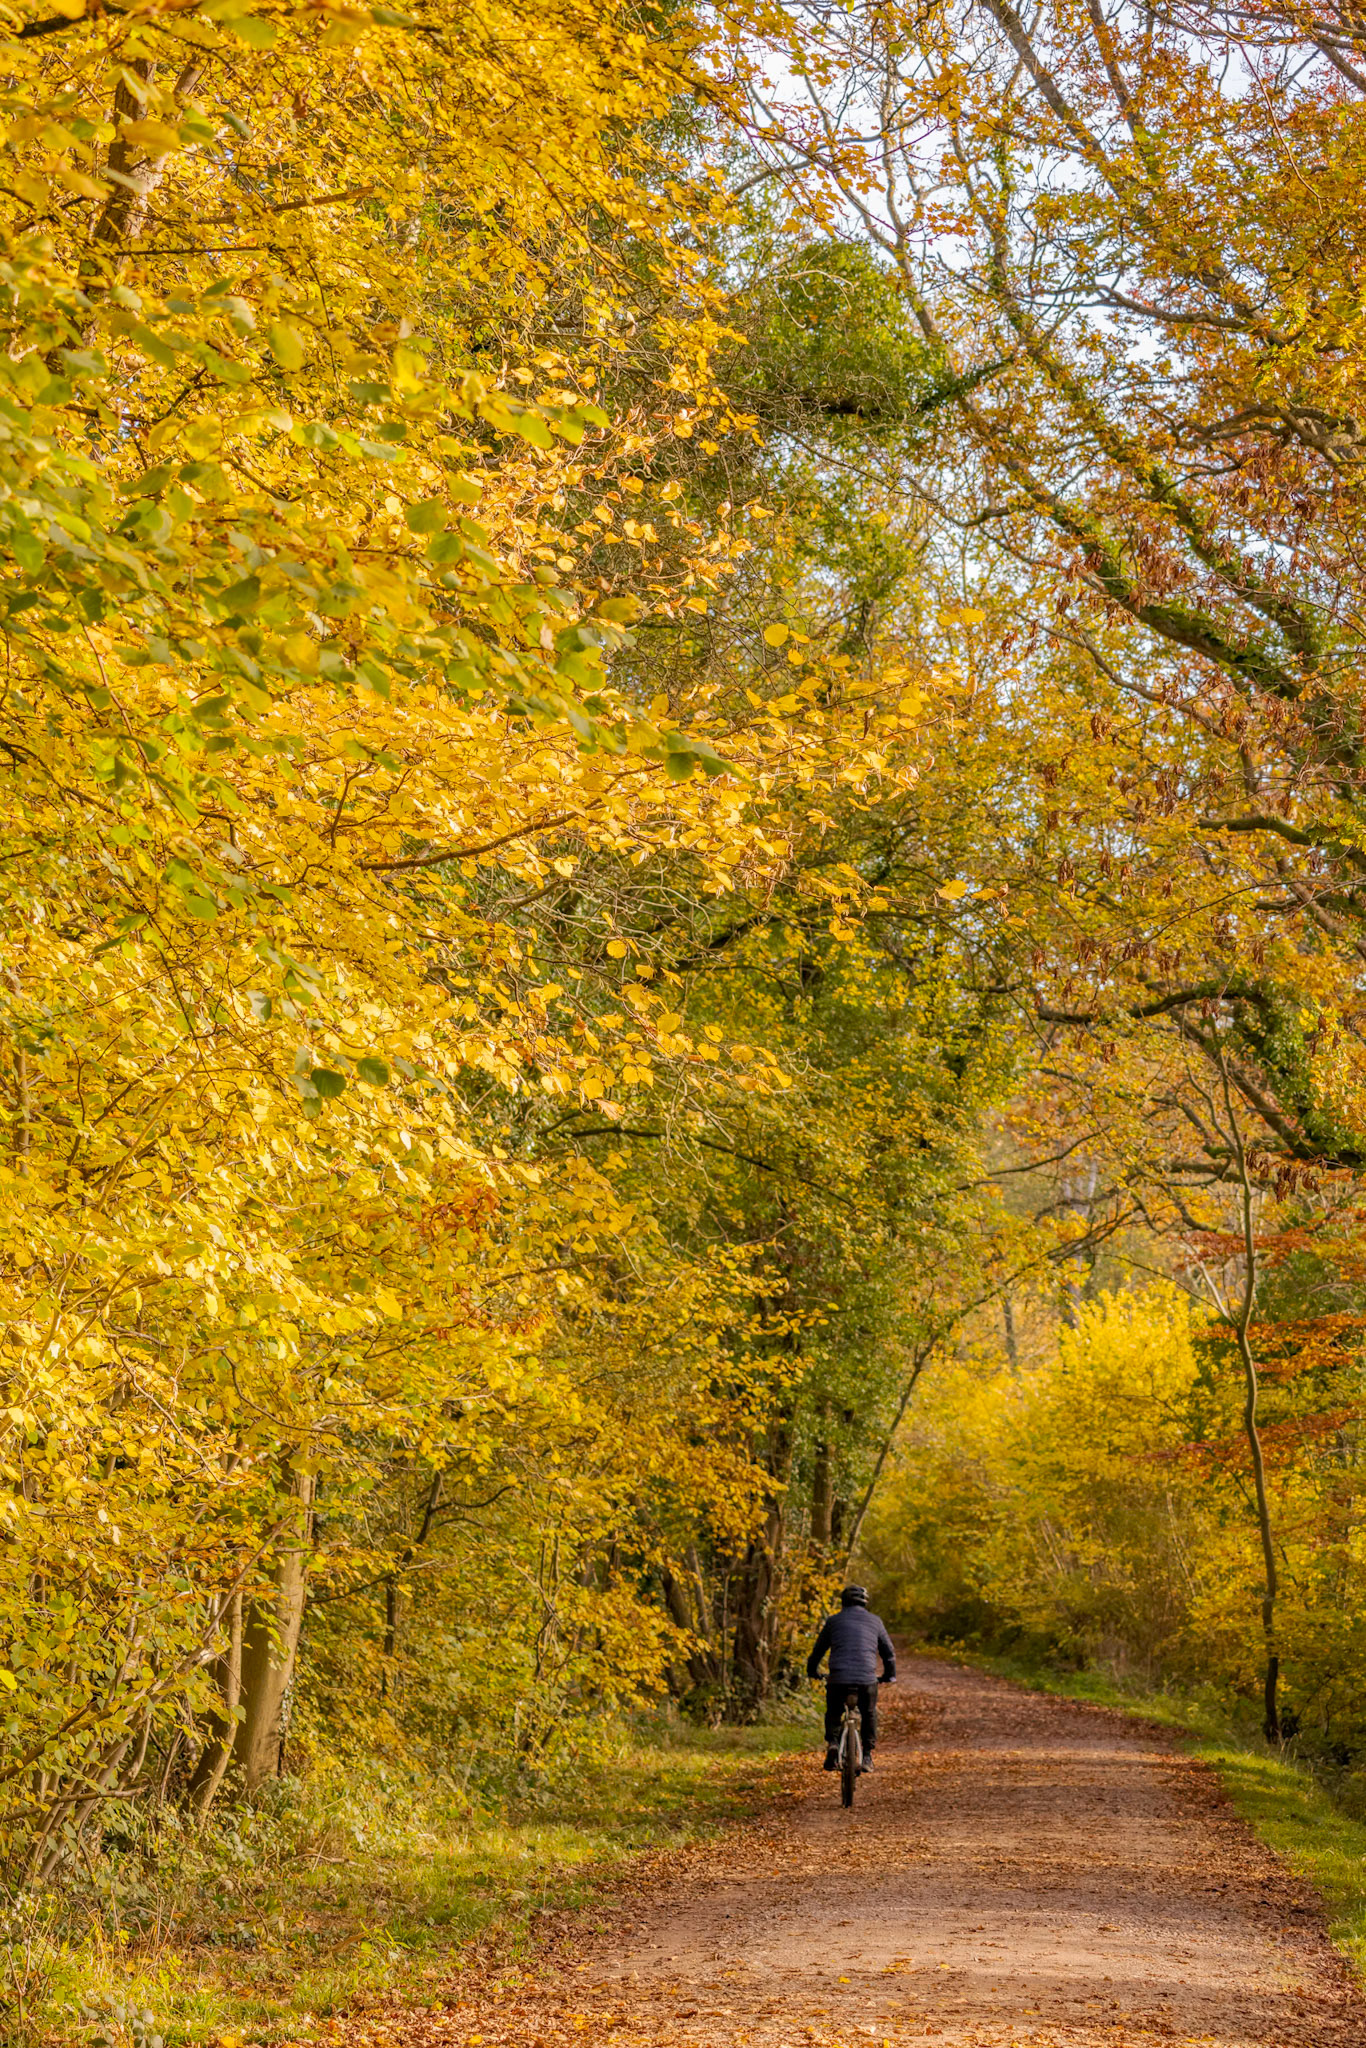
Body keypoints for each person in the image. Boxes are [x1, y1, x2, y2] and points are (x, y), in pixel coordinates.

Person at [806, 1584, 896, 1773]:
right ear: (865, 1602)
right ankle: (867, 1756)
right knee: (869, 1712)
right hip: (866, 1679)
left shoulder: (833, 1621)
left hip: (838, 1678)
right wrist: (889, 1675)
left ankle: (832, 1743)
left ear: (843, 1601)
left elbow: (818, 1652)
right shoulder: (875, 1621)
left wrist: (812, 1671)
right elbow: (888, 1654)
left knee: (833, 1711)